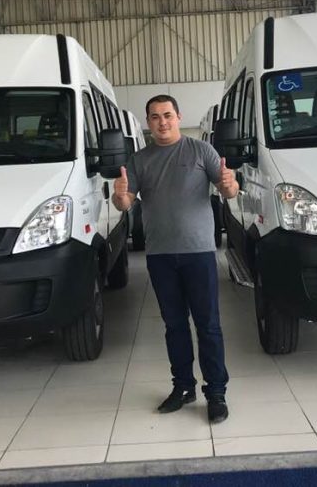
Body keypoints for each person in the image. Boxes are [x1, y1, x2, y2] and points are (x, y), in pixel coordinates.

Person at [112, 94, 238, 424]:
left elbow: (228, 190)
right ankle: (183, 387)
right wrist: (119, 195)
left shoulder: (201, 151)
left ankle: (216, 393)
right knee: (174, 325)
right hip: (161, 256)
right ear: (148, 122)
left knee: (208, 325)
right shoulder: (140, 160)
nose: (162, 122)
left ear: (178, 117)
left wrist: (230, 184)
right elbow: (125, 203)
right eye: (155, 117)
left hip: (199, 254)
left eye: (167, 115)